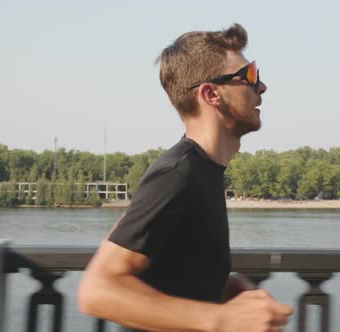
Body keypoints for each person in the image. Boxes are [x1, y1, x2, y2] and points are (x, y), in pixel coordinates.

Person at [77, 23, 294, 332]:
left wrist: (226, 290)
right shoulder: (177, 174)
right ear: (211, 93)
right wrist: (222, 320)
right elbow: (97, 291)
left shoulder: (204, 170)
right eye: (249, 76)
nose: (261, 87)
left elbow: (171, 274)